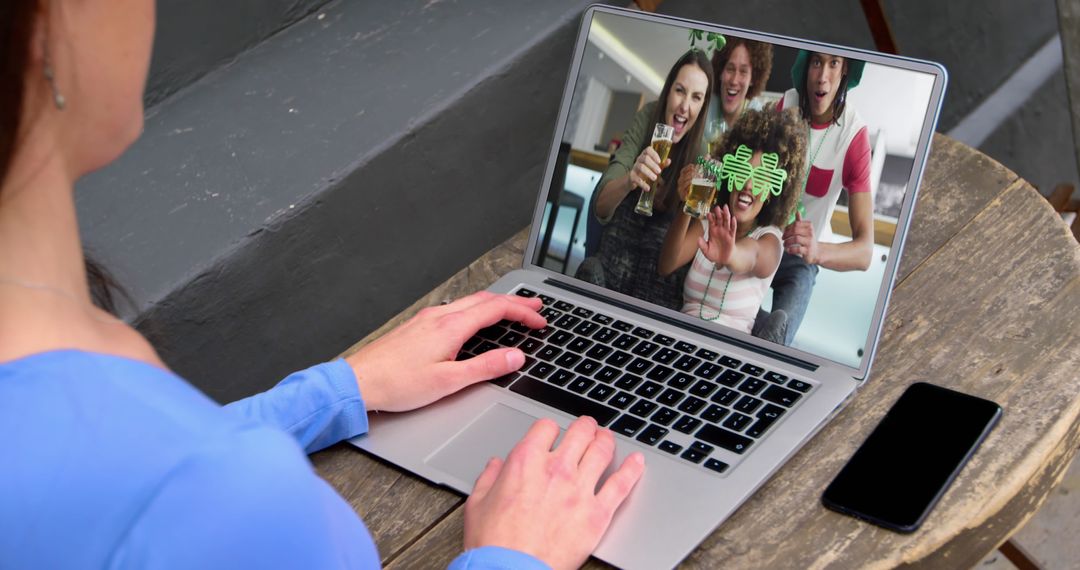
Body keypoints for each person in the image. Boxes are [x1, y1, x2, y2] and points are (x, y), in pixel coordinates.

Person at [0, 1, 644, 569]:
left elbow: (126, 475)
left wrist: (337, 391)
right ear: (47, 27)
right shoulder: (230, 504)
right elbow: (168, 493)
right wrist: (512, 558)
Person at [576, 49, 713, 311]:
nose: (685, 106)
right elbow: (600, 206)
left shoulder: (701, 152)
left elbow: (680, 253)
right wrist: (630, 180)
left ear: (703, 105)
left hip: (656, 287)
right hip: (615, 259)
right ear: (668, 91)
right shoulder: (648, 117)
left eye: (696, 97)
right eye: (680, 91)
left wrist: (688, 202)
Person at [658, 109, 805, 335]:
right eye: (741, 170)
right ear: (728, 173)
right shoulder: (709, 222)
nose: (748, 184)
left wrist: (729, 254)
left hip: (726, 348)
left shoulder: (770, 241)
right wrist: (687, 204)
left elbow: (751, 255)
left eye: (761, 177)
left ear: (771, 193)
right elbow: (666, 265)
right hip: (681, 335)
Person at [768, 50, 874, 345]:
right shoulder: (784, 106)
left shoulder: (854, 135)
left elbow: (865, 253)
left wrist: (816, 251)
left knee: (779, 337)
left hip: (801, 259)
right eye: (816, 62)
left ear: (845, 71)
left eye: (833, 63)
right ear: (805, 67)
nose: (822, 76)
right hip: (761, 236)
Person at [707, 37, 774, 137]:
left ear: (753, 79)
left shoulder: (759, 121)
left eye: (743, 72)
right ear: (720, 71)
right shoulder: (703, 108)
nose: (734, 81)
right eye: (730, 69)